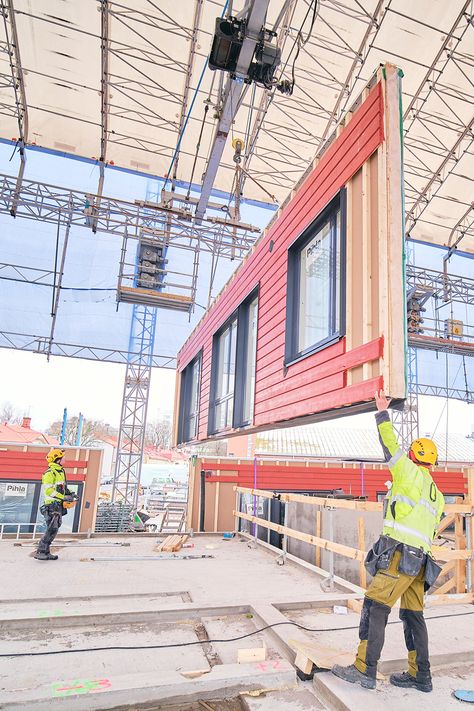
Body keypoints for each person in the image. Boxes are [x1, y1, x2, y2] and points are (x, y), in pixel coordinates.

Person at [332, 390, 444, 692]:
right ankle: (421, 676)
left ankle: (363, 669)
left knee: (374, 605)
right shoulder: (438, 495)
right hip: (421, 563)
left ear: (413, 456)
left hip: (399, 557)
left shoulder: (407, 472)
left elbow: (389, 446)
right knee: (413, 615)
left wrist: (382, 412)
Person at [34, 448, 75, 561]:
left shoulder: (60, 472)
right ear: (57, 460)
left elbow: (61, 487)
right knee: (52, 529)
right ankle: (41, 551)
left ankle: (46, 552)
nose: (65, 459)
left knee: (54, 529)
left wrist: (70, 493)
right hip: (51, 505)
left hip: (57, 505)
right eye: (63, 458)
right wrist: (63, 497)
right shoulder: (50, 473)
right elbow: (49, 491)